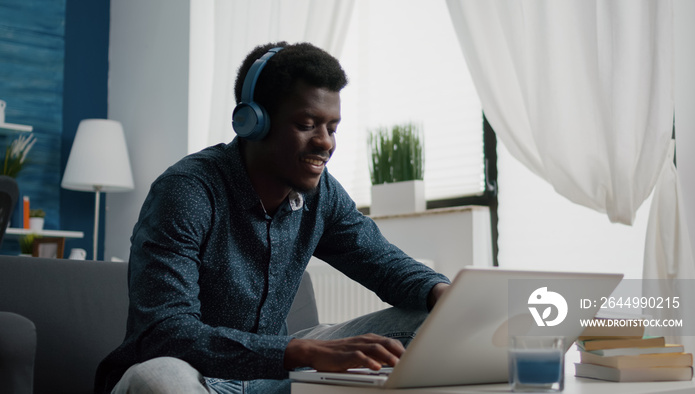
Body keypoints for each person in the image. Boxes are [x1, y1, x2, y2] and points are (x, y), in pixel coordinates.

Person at [95, 41, 450, 394]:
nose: (325, 142)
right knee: (159, 379)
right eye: (307, 124)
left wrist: (443, 293)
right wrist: (299, 352)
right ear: (252, 122)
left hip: (272, 376)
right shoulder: (187, 191)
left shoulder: (321, 193)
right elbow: (166, 333)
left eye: (332, 128)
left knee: (429, 321)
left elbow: (383, 262)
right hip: (193, 375)